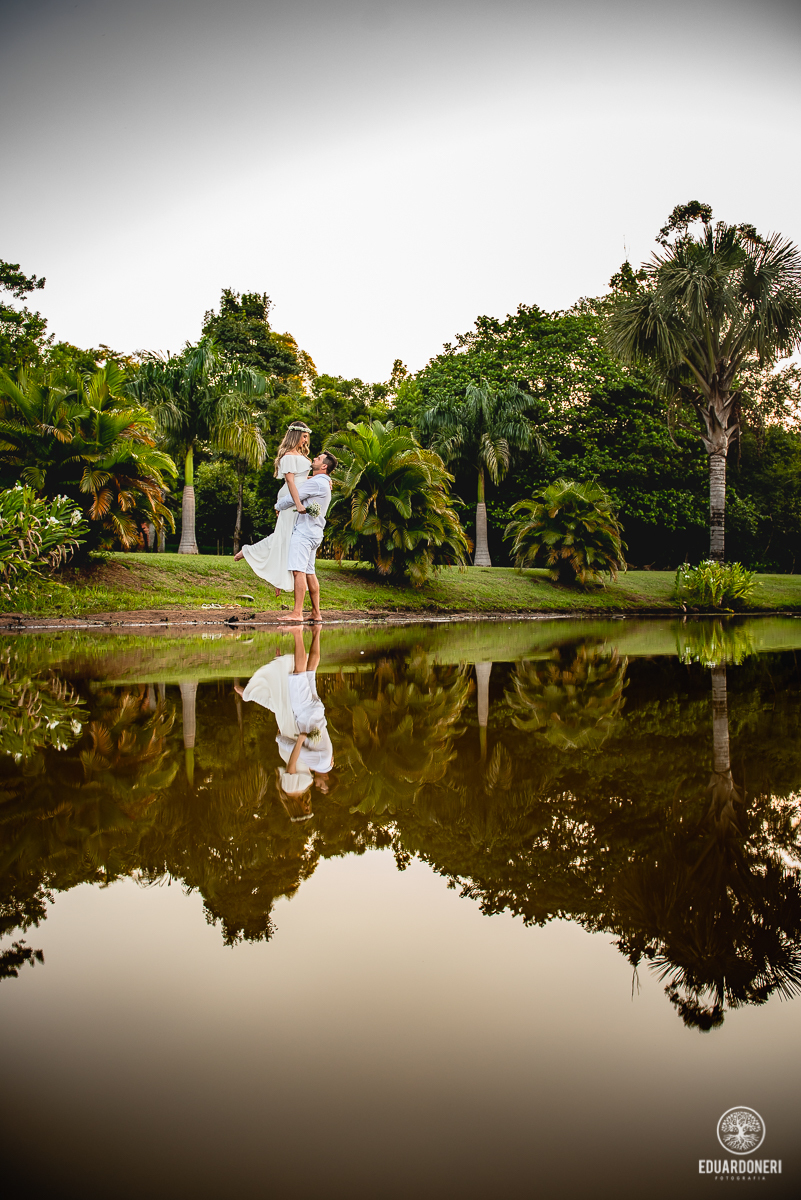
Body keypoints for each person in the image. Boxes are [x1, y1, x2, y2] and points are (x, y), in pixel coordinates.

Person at [234, 626, 333, 822]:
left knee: (286, 701)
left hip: (294, 741)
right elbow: (305, 763)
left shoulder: (291, 789)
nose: (308, 804)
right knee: (283, 704)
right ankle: (249, 692)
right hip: (293, 742)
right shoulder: (298, 789)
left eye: (305, 808)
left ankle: (249, 692)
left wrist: (299, 740)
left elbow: (292, 765)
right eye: (309, 807)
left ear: (296, 808)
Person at [234, 421, 312, 596]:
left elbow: (303, 478)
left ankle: (276, 577)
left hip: (300, 496)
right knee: (284, 537)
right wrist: (297, 503)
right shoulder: (288, 456)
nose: (306, 440)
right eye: (304, 436)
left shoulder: (302, 456)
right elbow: (291, 481)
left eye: (307, 436)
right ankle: (249, 552)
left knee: (288, 538)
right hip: (291, 497)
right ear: (296, 436)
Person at [275, 450, 338, 623]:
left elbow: (294, 497)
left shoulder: (317, 482)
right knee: (310, 572)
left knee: (298, 571)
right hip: (315, 532)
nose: (314, 459)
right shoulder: (322, 482)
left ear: (324, 466)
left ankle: (297, 613)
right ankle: (316, 613)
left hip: (305, 532)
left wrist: (278, 505)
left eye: (318, 458)